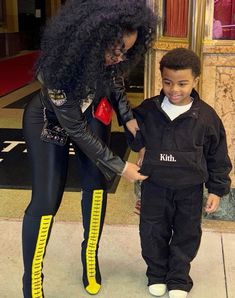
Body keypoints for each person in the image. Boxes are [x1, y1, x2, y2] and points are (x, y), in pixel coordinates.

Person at [21, 0, 156, 297]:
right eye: (114, 49)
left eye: (126, 51)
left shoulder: (112, 60)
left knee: (96, 187)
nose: (119, 57)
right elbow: (77, 131)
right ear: (91, 36)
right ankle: (31, 281)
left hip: (91, 112)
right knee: (45, 202)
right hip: (48, 120)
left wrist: (130, 120)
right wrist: (121, 167)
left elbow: (114, 86)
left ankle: (89, 258)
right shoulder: (55, 67)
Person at [126, 48, 232, 298]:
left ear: (195, 80)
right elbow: (131, 126)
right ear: (161, 79)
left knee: (187, 234)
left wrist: (217, 189)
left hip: (190, 190)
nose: (175, 90)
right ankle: (156, 274)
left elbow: (217, 155)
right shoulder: (149, 110)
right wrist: (140, 145)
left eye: (183, 83)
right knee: (152, 232)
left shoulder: (206, 117)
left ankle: (179, 278)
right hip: (155, 186)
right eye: (168, 82)